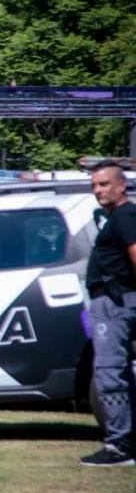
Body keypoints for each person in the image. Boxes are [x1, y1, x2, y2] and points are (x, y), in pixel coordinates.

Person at [81, 161, 136, 467]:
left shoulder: (126, 215)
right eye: (94, 185)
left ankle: (119, 445)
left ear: (120, 186)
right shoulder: (113, 217)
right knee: (117, 374)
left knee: (109, 373)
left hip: (115, 305)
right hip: (112, 303)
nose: (97, 190)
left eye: (103, 184)